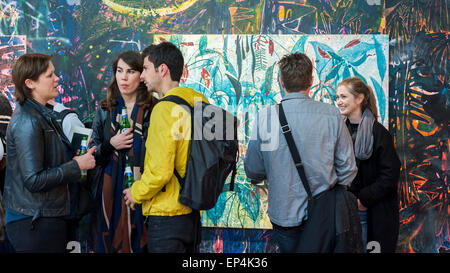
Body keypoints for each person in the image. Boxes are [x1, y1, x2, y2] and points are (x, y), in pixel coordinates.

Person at [244, 53, 359, 253]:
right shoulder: (331, 114)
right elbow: (348, 169)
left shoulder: (265, 118)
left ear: (281, 82)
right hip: (324, 216)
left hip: (284, 215)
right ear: (311, 81)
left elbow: (253, 170)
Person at [2, 53, 96, 253]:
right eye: (49, 75)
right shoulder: (29, 121)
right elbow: (33, 179)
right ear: (30, 83)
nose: (57, 79)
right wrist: (77, 166)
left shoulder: (41, 114)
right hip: (34, 223)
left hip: (44, 218)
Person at [122, 42, 208, 253]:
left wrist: (136, 192)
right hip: (192, 215)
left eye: (146, 69)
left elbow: (160, 172)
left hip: (167, 216)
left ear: (163, 70)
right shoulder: (198, 101)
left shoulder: (164, 110)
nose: (142, 76)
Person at [90, 50, 157, 253]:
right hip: (108, 192)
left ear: (142, 75)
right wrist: (112, 144)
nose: (124, 77)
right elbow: (93, 157)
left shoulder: (154, 109)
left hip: (144, 193)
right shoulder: (104, 109)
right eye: (119, 71)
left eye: (130, 71)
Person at [336, 77, 401, 253]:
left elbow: (390, 175)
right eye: (337, 97)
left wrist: (363, 199)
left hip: (373, 213)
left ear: (359, 98)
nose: (339, 102)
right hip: (345, 210)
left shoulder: (379, 133)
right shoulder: (340, 131)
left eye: (343, 97)